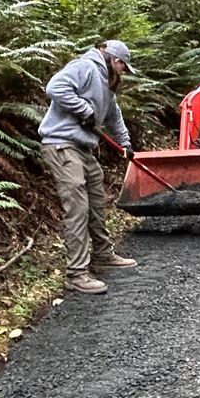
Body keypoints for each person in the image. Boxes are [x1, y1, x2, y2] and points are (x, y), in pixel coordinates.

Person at [40, 39, 139, 295]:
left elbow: (113, 115)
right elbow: (55, 88)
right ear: (115, 60)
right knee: (78, 207)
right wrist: (84, 109)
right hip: (62, 144)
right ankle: (77, 273)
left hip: (83, 148)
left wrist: (126, 144)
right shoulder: (84, 67)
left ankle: (104, 255)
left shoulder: (106, 82)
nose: (124, 73)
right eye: (124, 67)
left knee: (97, 200)